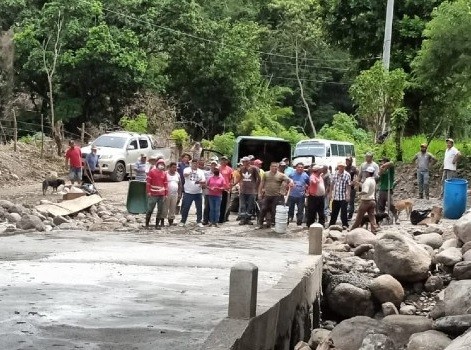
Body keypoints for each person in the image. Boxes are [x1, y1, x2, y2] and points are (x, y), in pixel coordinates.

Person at [256, 162, 292, 229]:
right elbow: (262, 183)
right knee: (263, 209)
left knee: (274, 210)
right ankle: (260, 224)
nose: (274, 168)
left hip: (277, 196)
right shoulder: (265, 174)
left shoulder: (281, 175)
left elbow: (289, 180)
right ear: (270, 167)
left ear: (278, 168)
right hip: (267, 195)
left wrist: (291, 183)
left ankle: (273, 224)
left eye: (276, 166)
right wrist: (259, 193)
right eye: (273, 166)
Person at [350, 166, 379, 233]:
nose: (365, 173)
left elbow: (365, 191)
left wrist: (358, 194)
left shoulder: (367, 181)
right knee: (372, 217)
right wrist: (358, 183)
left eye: (365, 172)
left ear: (368, 173)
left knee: (359, 217)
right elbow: (365, 186)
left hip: (366, 202)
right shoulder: (373, 180)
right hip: (372, 201)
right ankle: (374, 229)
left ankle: (353, 229)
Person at [233, 156, 260, 225]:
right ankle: (243, 219)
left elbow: (258, 179)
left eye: (245, 161)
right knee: (243, 205)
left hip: (251, 191)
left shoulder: (254, 168)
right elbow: (239, 178)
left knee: (250, 205)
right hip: (243, 190)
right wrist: (234, 184)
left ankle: (248, 219)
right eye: (243, 162)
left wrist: (256, 188)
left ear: (248, 162)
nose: (243, 163)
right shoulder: (242, 169)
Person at [179, 159, 206, 227]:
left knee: (199, 207)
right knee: (186, 207)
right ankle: (183, 221)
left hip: (198, 192)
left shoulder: (201, 171)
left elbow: (203, 180)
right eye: (194, 163)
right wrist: (190, 172)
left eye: (196, 163)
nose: (195, 164)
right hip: (188, 192)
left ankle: (199, 221)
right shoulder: (187, 169)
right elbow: (184, 175)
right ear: (191, 164)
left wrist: (200, 183)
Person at [145, 159, 168, 230]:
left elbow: (166, 184)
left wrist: (166, 194)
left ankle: (157, 225)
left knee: (160, 210)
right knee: (150, 209)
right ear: (157, 164)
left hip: (161, 194)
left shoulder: (164, 173)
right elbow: (148, 183)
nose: (161, 166)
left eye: (163, 164)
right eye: (160, 164)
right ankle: (147, 224)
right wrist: (148, 192)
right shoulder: (152, 172)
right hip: (153, 194)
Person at [328, 161, 351, 229]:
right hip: (336, 196)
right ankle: (331, 225)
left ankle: (345, 225)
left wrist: (348, 195)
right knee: (334, 212)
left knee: (343, 212)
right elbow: (332, 184)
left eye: (342, 166)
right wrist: (330, 193)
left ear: (344, 167)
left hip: (343, 196)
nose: (341, 168)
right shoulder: (334, 174)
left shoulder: (347, 175)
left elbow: (348, 186)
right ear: (338, 167)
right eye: (340, 166)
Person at [377, 157, 398, 223]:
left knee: (391, 205)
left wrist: (384, 165)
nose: (381, 163)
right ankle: (381, 219)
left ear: (385, 162)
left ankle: (396, 217)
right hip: (382, 189)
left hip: (388, 189)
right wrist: (381, 170)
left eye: (382, 161)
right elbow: (378, 175)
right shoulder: (382, 170)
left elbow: (391, 163)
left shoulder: (390, 169)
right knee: (380, 205)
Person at [163, 162, 182, 226]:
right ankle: (162, 221)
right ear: (170, 167)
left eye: (175, 167)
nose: (175, 168)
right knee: (165, 208)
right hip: (166, 194)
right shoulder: (165, 173)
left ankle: (170, 221)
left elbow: (180, 185)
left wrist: (179, 194)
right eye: (173, 167)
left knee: (173, 208)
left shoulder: (177, 174)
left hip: (175, 194)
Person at [202, 160, 218, 225]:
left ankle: (212, 220)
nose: (213, 166)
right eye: (212, 165)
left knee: (214, 207)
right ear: (210, 165)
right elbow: (204, 182)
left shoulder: (218, 174)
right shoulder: (206, 173)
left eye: (215, 165)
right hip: (208, 192)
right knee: (207, 207)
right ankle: (205, 220)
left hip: (215, 193)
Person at [218, 156, 233, 223]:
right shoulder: (218, 168)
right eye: (222, 160)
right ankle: (215, 218)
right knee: (217, 203)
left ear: (227, 161)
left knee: (224, 204)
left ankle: (221, 219)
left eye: (225, 160)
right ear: (220, 161)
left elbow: (231, 179)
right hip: (218, 188)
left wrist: (230, 186)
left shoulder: (229, 169)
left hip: (225, 189)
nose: (223, 161)